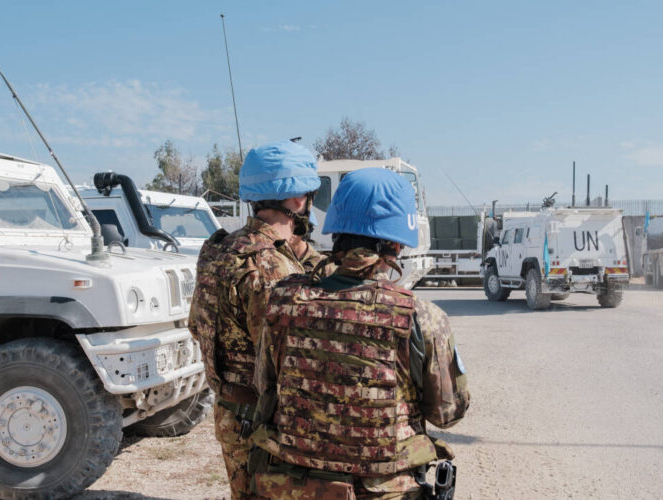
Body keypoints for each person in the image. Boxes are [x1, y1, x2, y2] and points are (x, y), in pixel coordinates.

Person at [250, 167, 470, 499]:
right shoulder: (422, 317)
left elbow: (265, 390)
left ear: (336, 231)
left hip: (293, 488)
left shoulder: (283, 300)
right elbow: (447, 413)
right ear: (395, 244)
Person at [188, 140, 326, 500]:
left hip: (230, 412)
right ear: (299, 200)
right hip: (265, 423)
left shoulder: (217, 248)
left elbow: (195, 325)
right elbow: (289, 363)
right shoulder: (272, 268)